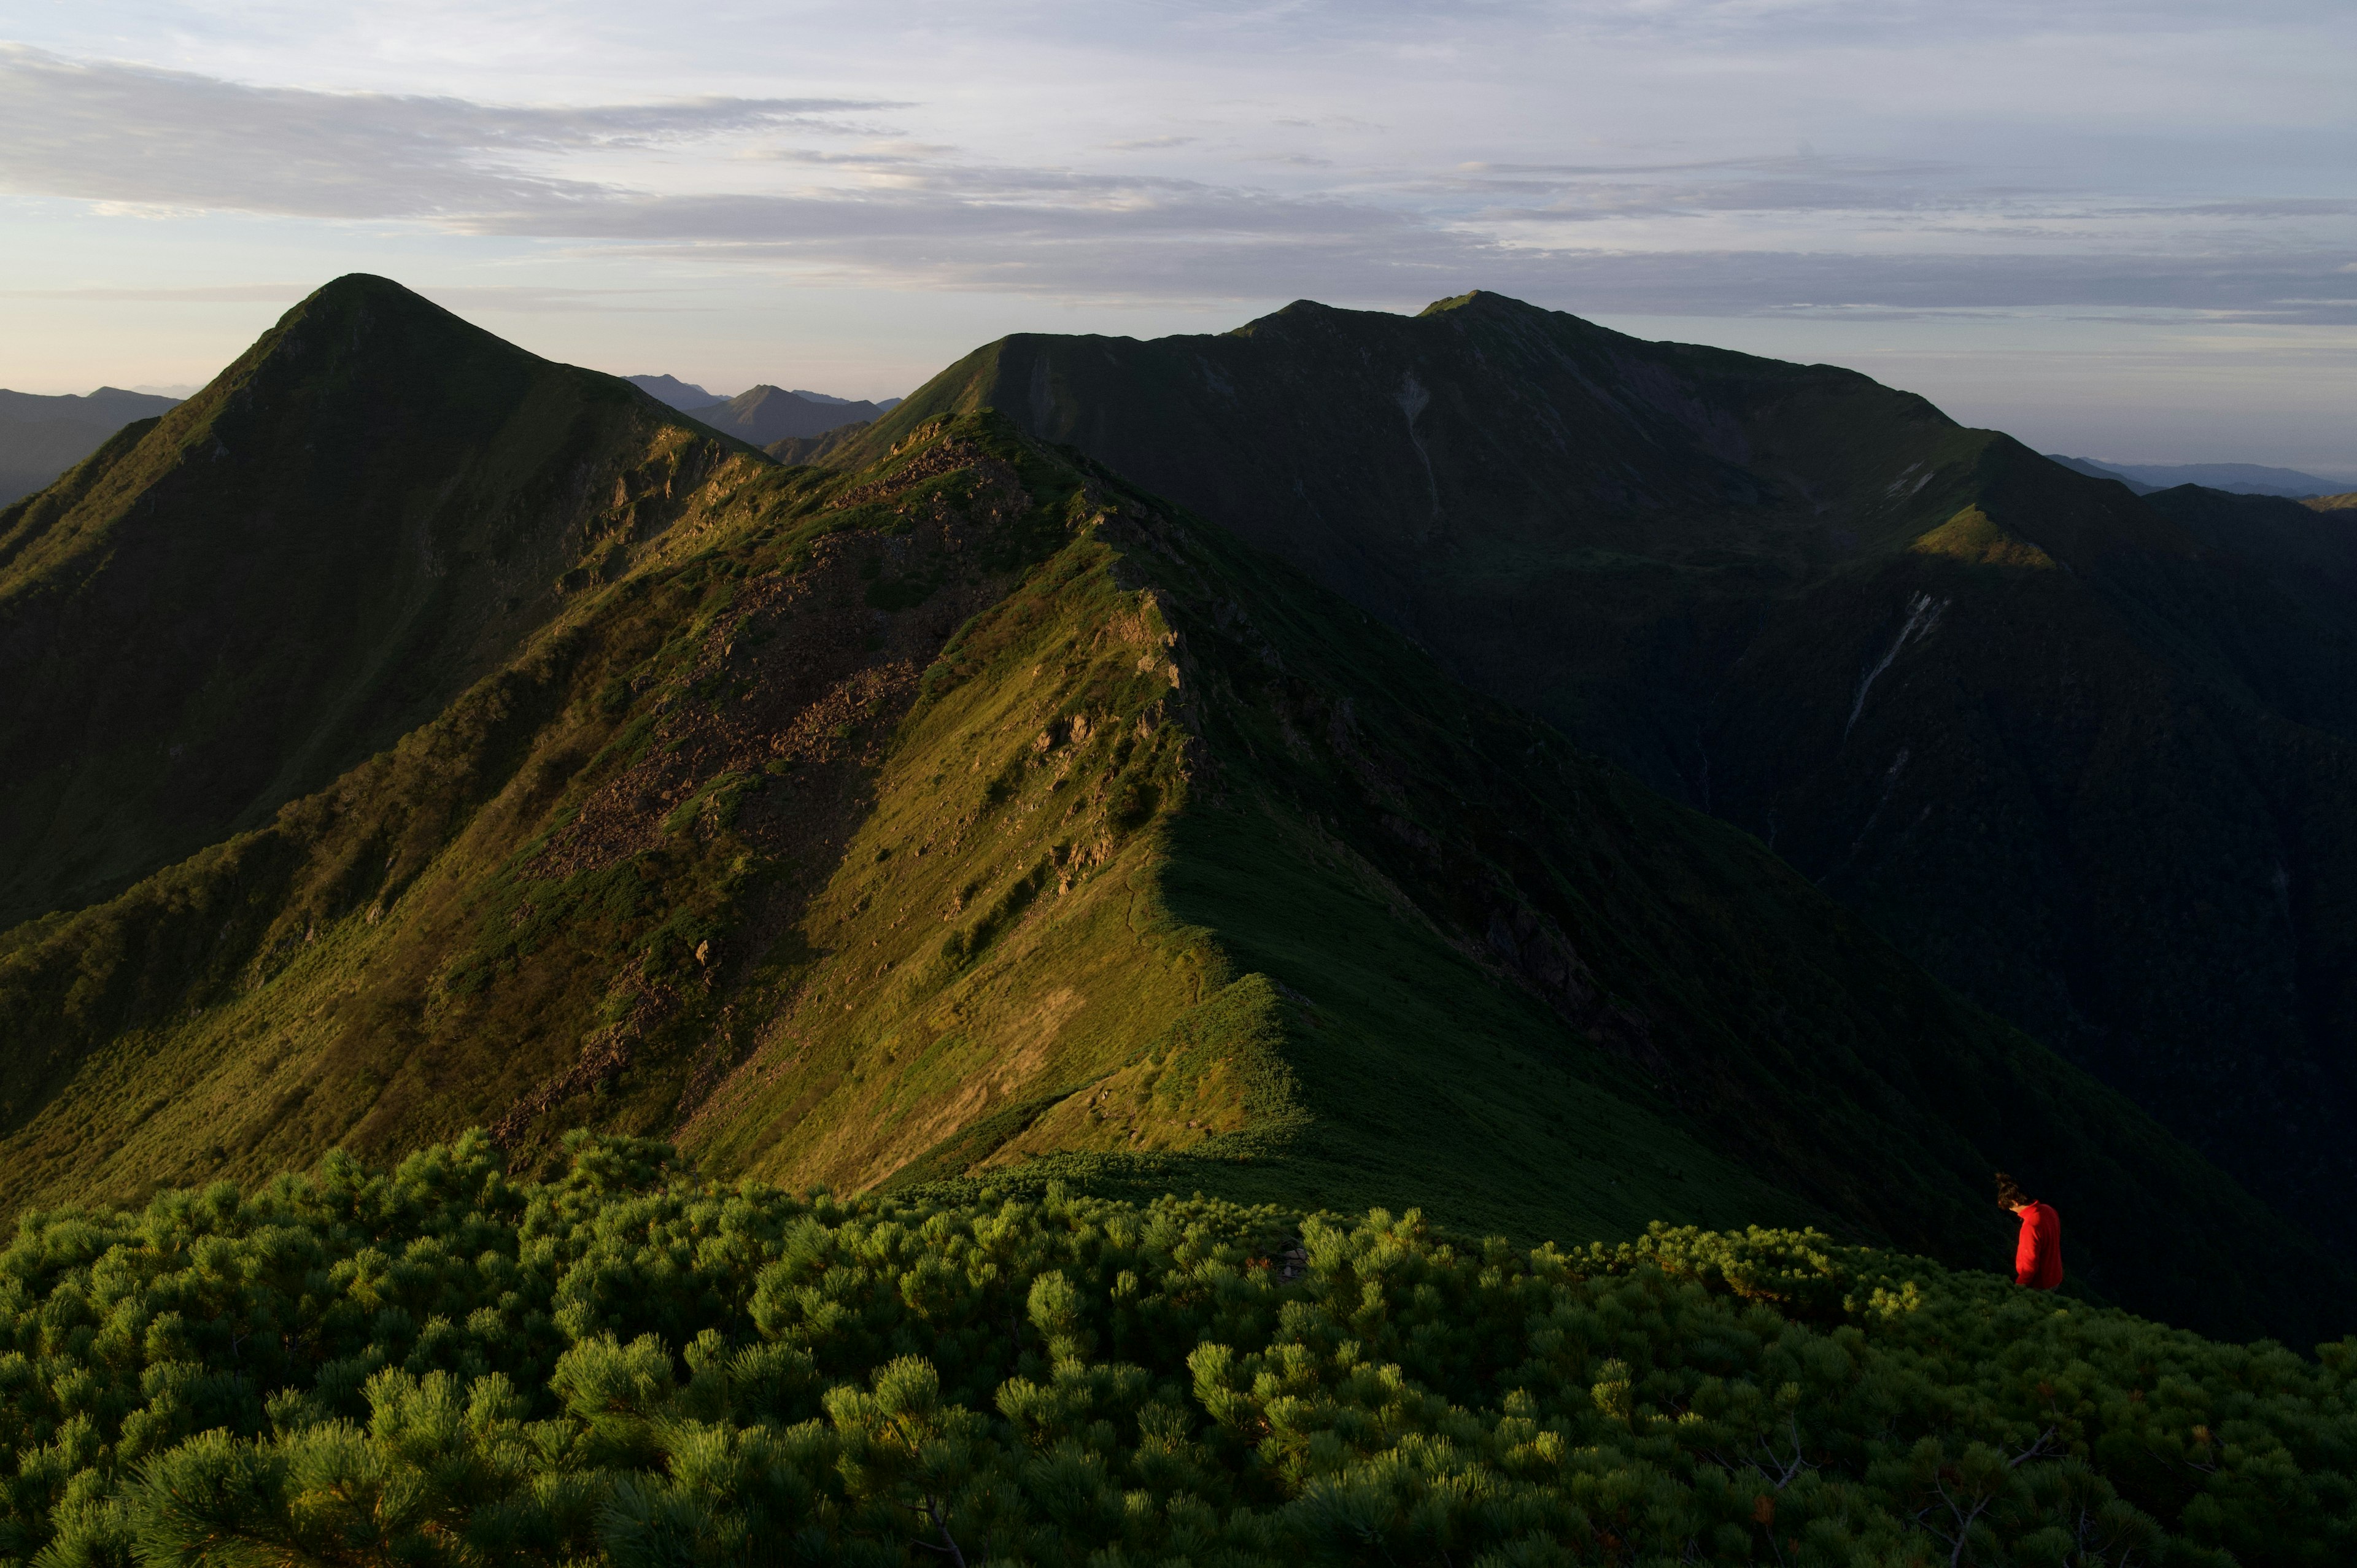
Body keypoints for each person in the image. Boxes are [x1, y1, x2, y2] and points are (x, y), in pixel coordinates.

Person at [1995, 1172, 2063, 1290]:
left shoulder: (2030, 1226)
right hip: (2055, 1276)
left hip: (2040, 1284)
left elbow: (2029, 1267)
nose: (2012, 1211)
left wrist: (2018, 1288)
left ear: (2016, 1203)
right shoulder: (2049, 1210)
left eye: (2010, 1208)